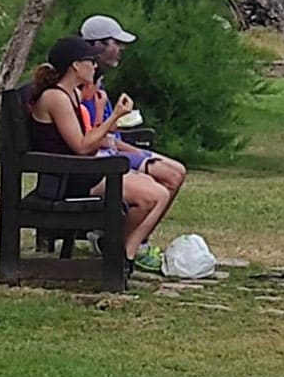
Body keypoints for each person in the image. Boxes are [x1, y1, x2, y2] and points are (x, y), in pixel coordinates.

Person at [28, 37, 172, 274]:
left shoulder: (72, 94)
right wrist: (114, 116)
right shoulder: (56, 98)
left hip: (80, 170)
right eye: (90, 61)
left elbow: (87, 140)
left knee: (159, 190)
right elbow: (82, 146)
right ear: (75, 65)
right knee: (152, 196)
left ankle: (124, 253)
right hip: (67, 179)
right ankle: (120, 256)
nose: (95, 67)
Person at [79, 14, 187, 212]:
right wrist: (132, 148)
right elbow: (94, 136)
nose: (122, 49)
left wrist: (118, 119)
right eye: (117, 43)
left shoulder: (98, 82)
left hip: (113, 149)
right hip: (104, 158)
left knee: (178, 170)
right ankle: (129, 237)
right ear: (96, 45)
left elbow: (106, 130)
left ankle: (137, 235)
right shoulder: (84, 86)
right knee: (170, 175)